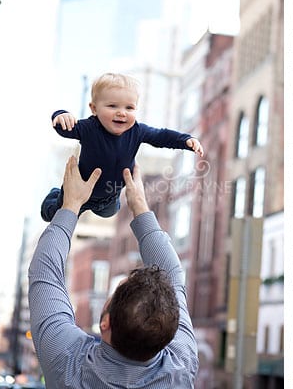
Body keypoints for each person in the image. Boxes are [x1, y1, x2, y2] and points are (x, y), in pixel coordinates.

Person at [28, 156, 199, 388]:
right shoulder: (180, 371)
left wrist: (72, 203)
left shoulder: (68, 361)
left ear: (105, 322)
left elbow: (45, 272)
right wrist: (138, 205)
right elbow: (44, 273)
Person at [40, 72, 204, 222]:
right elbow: (65, 129)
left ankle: (106, 202)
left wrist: (185, 140)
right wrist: (61, 115)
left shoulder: (137, 131)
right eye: (112, 106)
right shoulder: (89, 128)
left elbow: (161, 136)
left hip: (109, 198)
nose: (122, 113)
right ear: (94, 109)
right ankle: (54, 195)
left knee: (111, 212)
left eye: (129, 107)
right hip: (79, 191)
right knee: (52, 215)